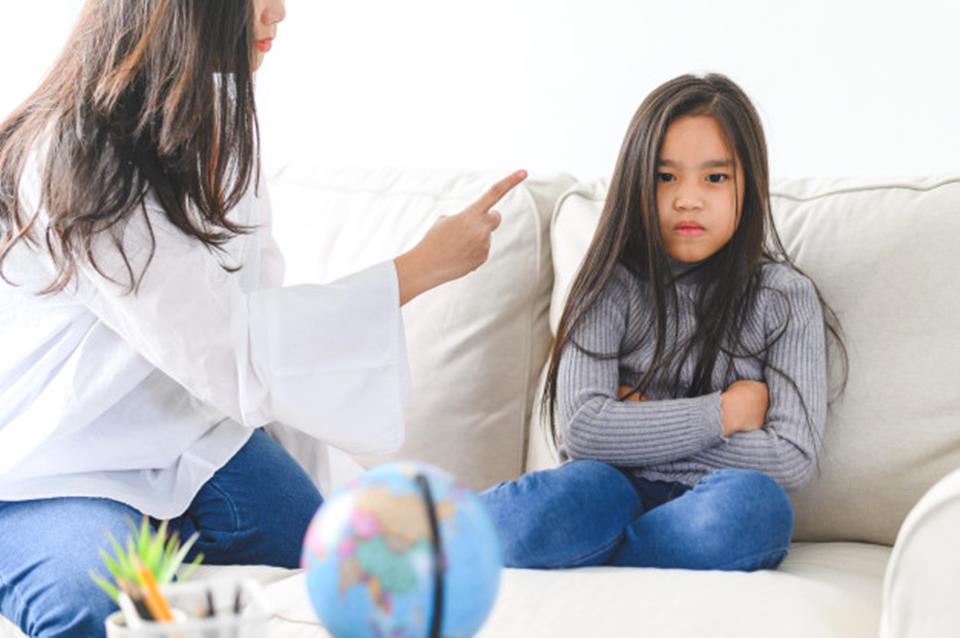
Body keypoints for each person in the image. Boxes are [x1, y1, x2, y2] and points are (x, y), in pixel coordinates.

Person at [0, 1, 525, 635]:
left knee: (335, 567)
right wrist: (416, 269)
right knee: (91, 607)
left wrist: (311, 482)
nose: (279, 11)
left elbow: (263, 320)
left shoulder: (217, 124)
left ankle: (164, 531)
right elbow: (223, 347)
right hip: (59, 461)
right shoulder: (73, 152)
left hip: (195, 437)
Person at [480, 73, 846, 571]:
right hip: (606, 490)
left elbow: (789, 458)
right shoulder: (611, 285)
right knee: (560, 502)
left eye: (714, 178)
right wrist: (724, 413)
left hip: (712, 502)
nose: (687, 199)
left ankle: (608, 553)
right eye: (665, 176)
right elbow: (585, 431)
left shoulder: (784, 297)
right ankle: (424, 528)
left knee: (756, 508)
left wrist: (635, 426)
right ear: (636, 182)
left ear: (751, 186)